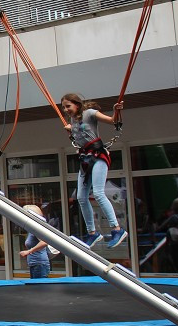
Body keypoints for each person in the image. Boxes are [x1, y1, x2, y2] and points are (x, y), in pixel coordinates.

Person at [61, 93, 127, 250]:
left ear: (77, 104)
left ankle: (117, 229)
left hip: (98, 156)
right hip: (85, 159)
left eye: (68, 106)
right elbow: (80, 135)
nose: (66, 110)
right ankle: (92, 233)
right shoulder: (73, 120)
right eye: (64, 107)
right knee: (81, 197)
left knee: (98, 193)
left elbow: (112, 121)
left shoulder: (89, 113)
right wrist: (71, 130)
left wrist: (116, 111)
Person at [18, 205, 53, 279]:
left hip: (39, 264)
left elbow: (44, 242)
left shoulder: (36, 228)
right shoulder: (31, 228)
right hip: (35, 264)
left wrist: (29, 251)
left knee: (39, 288)